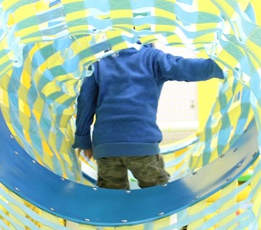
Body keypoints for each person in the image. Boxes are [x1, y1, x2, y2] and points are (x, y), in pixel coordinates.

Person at [73, 43, 225, 189]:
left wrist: (83, 139)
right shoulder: (151, 57)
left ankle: (116, 207)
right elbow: (185, 67)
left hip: (106, 146)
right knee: (157, 193)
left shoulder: (99, 62)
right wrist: (221, 66)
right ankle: (159, 207)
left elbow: (85, 101)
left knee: (112, 198)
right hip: (142, 144)